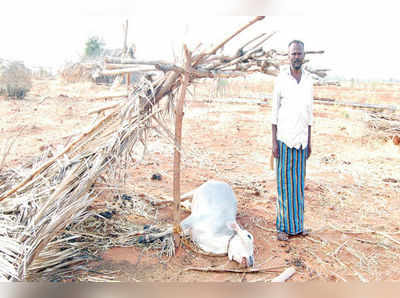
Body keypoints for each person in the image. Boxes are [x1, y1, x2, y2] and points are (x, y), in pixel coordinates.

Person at [271, 40, 313, 241]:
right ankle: (282, 227)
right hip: (284, 139)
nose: (296, 57)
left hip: (301, 140)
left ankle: (297, 227)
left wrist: (310, 141)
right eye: (293, 54)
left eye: (299, 53)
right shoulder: (281, 79)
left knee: (298, 184)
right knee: (284, 184)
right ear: (288, 56)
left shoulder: (308, 80)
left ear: (303, 55)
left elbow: (310, 114)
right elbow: (274, 113)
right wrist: (273, 142)